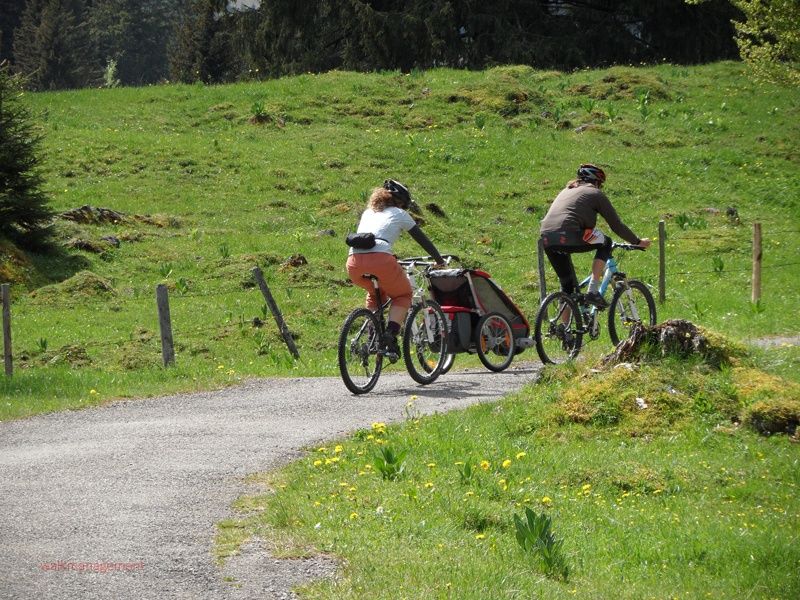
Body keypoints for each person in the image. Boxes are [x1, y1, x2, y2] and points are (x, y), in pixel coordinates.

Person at [346, 179, 445, 359]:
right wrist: (439, 260)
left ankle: (372, 337)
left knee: (375, 294)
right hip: (381, 259)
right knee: (402, 295)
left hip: (353, 262)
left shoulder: (368, 212)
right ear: (400, 202)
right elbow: (422, 239)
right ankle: (390, 336)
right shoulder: (400, 213)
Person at [539, 164, 651, 308]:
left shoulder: (567, 190)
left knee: (567, 287)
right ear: (596, 182)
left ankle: (562, 328)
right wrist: (637, 241)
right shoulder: (595, 193)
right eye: (601, 185)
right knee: (605, 242)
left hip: (547, 238)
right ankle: (593, 290)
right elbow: (616, 225)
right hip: (570, 234)